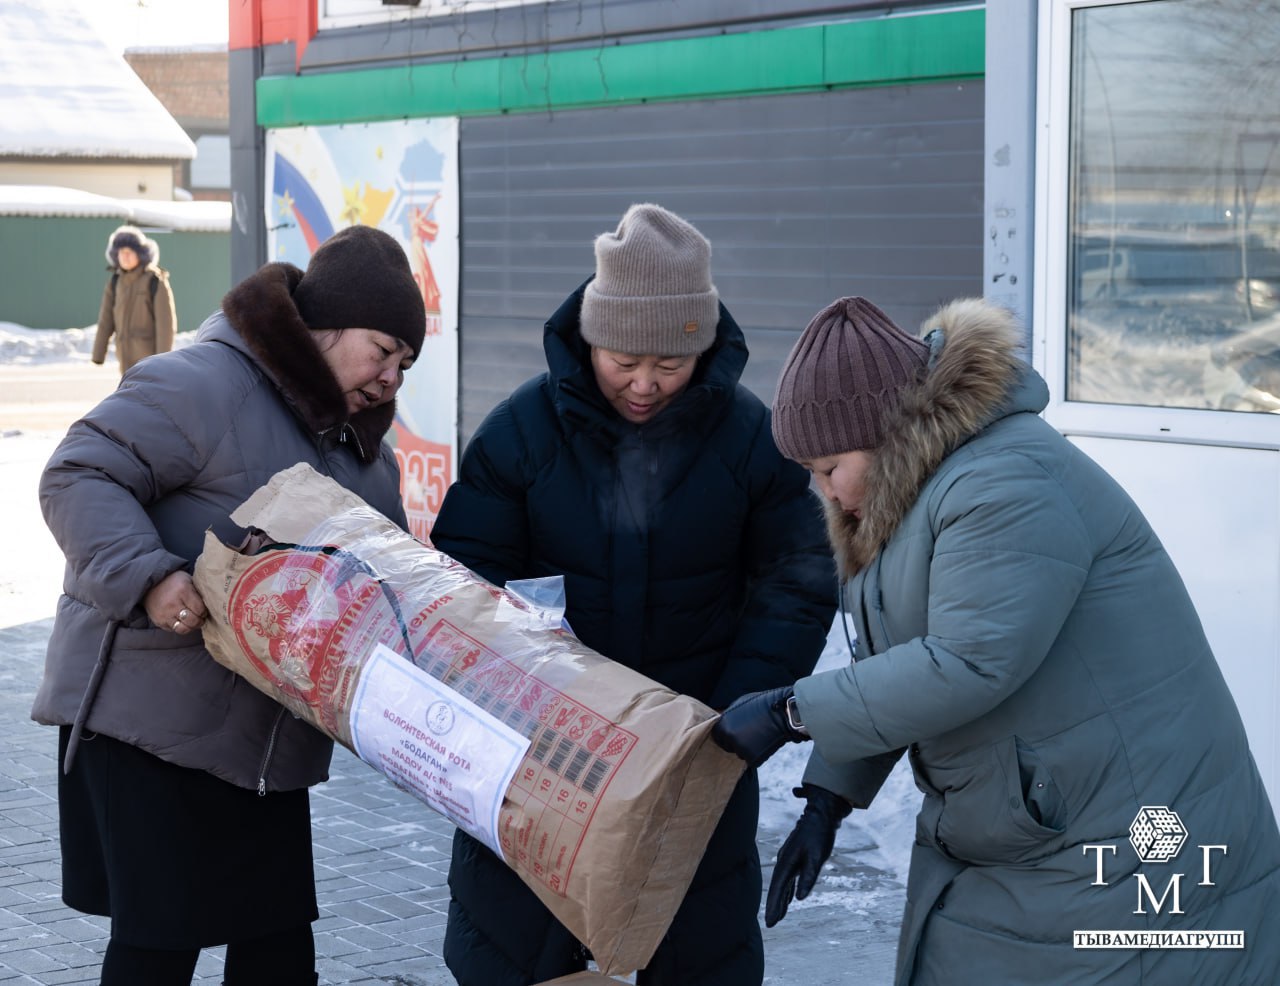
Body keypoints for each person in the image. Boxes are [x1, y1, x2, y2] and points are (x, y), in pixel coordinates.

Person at [711, 295, 1280, 984]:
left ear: (888, 435)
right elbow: (900, 662)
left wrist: (792, 713)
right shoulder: (911, 492)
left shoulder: (1005, 482)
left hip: (1127, 831)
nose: (823, 491)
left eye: (829, 467)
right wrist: (830, 797)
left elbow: (966, 661)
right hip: (1036, 818)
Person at [428, 203, 837, 985]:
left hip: (693, 756)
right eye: (623, 361)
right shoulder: (521, 432)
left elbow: (796, 582)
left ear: (703, 348)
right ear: (590, 338)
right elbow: (463, 584)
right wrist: (522, 700)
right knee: (519, 951)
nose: (645, 384)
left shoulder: (751, 438)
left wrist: (725, 721)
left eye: (671, 365)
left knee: (693, 950)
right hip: (540, 758)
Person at [33, 224, 426, 986]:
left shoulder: (362, 455)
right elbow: (78, 474)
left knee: (278, 953)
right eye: (382, 351)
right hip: (147, 724)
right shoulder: (207, 384)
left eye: (405, 365)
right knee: (160, 947)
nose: (390, 380)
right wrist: (150, 578)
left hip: (261, 745)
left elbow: (385, 582)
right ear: (326, 324)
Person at [92, 224, 178, 373]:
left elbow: (165, 326)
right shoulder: (115, 282)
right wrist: (98, 354)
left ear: (140, 254)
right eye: (121, 252)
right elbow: (105, 320)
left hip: (149, 361)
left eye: (129, 252)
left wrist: (163, 362)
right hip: (124, 358)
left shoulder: (155, 281)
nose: (125, 256)